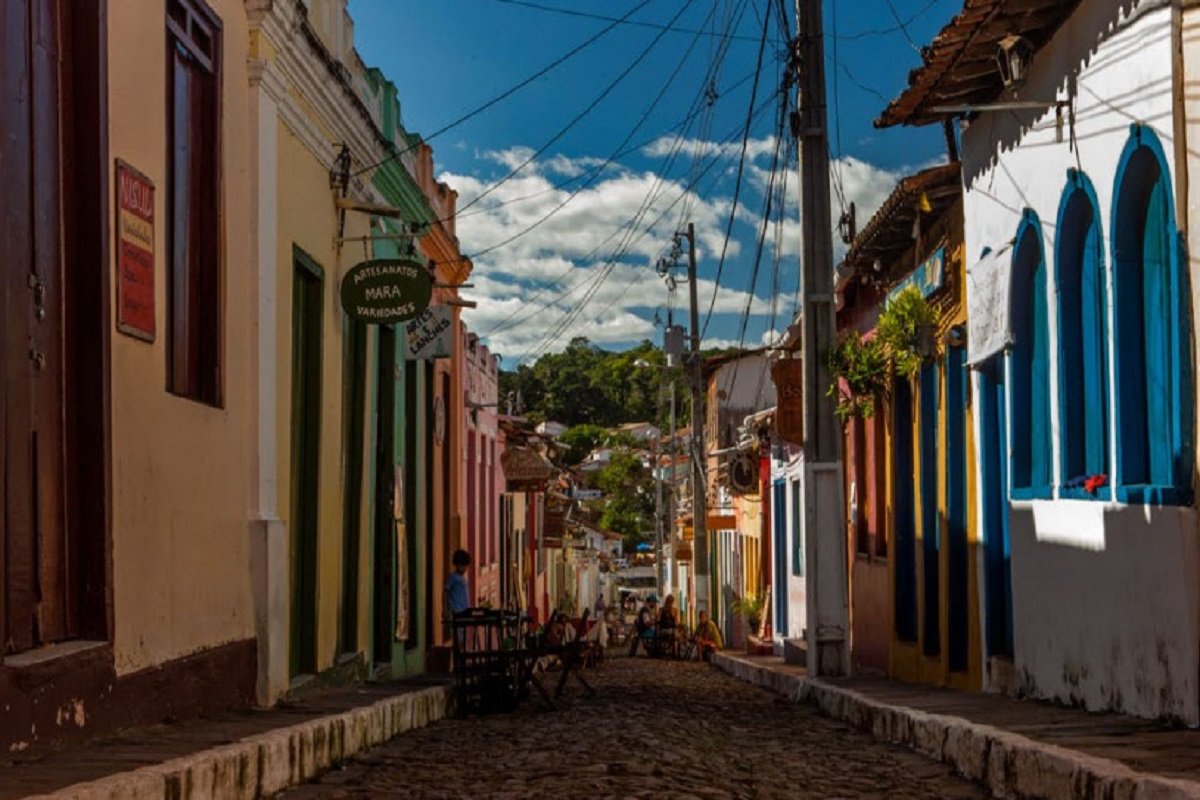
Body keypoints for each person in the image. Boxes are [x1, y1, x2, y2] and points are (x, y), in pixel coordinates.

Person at [445, 549, 471, 616]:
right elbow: (445, 592)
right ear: (458, 565)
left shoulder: (463, 578)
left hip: (463, 610)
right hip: (455, 611)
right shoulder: (453, 577)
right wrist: (445, 609)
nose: (465, 568)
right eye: (463, 566)